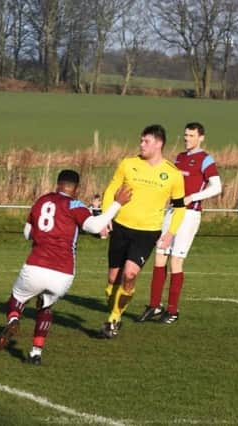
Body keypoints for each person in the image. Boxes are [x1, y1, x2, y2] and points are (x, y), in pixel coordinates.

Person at [0, 170, 131, 364]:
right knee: (46, 306)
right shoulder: (75, 204)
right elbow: (93, 227)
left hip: (36, 264)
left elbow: (27, 233)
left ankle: (13, 320)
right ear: (76, 189)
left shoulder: (41, 201)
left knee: (17, 298)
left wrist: (44, 237)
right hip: (63, 272)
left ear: (57, 184)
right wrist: (117, 203)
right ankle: (36, 352)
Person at [98, 124, 185, 338]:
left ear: (159, 144)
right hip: (121, 227)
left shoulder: (173, 174)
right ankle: (114, 310)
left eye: (146, 141)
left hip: (148, 232)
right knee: (112, 281)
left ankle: (114, 319)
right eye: (141, 140)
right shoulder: (128, 164)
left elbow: (181, 207)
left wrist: (170, 233)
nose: (141, 144)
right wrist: (105, 217)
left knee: (129, 274)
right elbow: (111, 189)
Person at [136, 122, 221, 325]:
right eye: (185, 135)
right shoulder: (179, 158)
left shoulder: (205, 159)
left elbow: (216, 187)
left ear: (201, 138)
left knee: (176, 260)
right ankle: (154, 305)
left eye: (191, 136)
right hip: (172, 212)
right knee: (159, 255)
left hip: (189, 214)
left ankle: (172, 310)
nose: (187, 139)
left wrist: (193, 197)